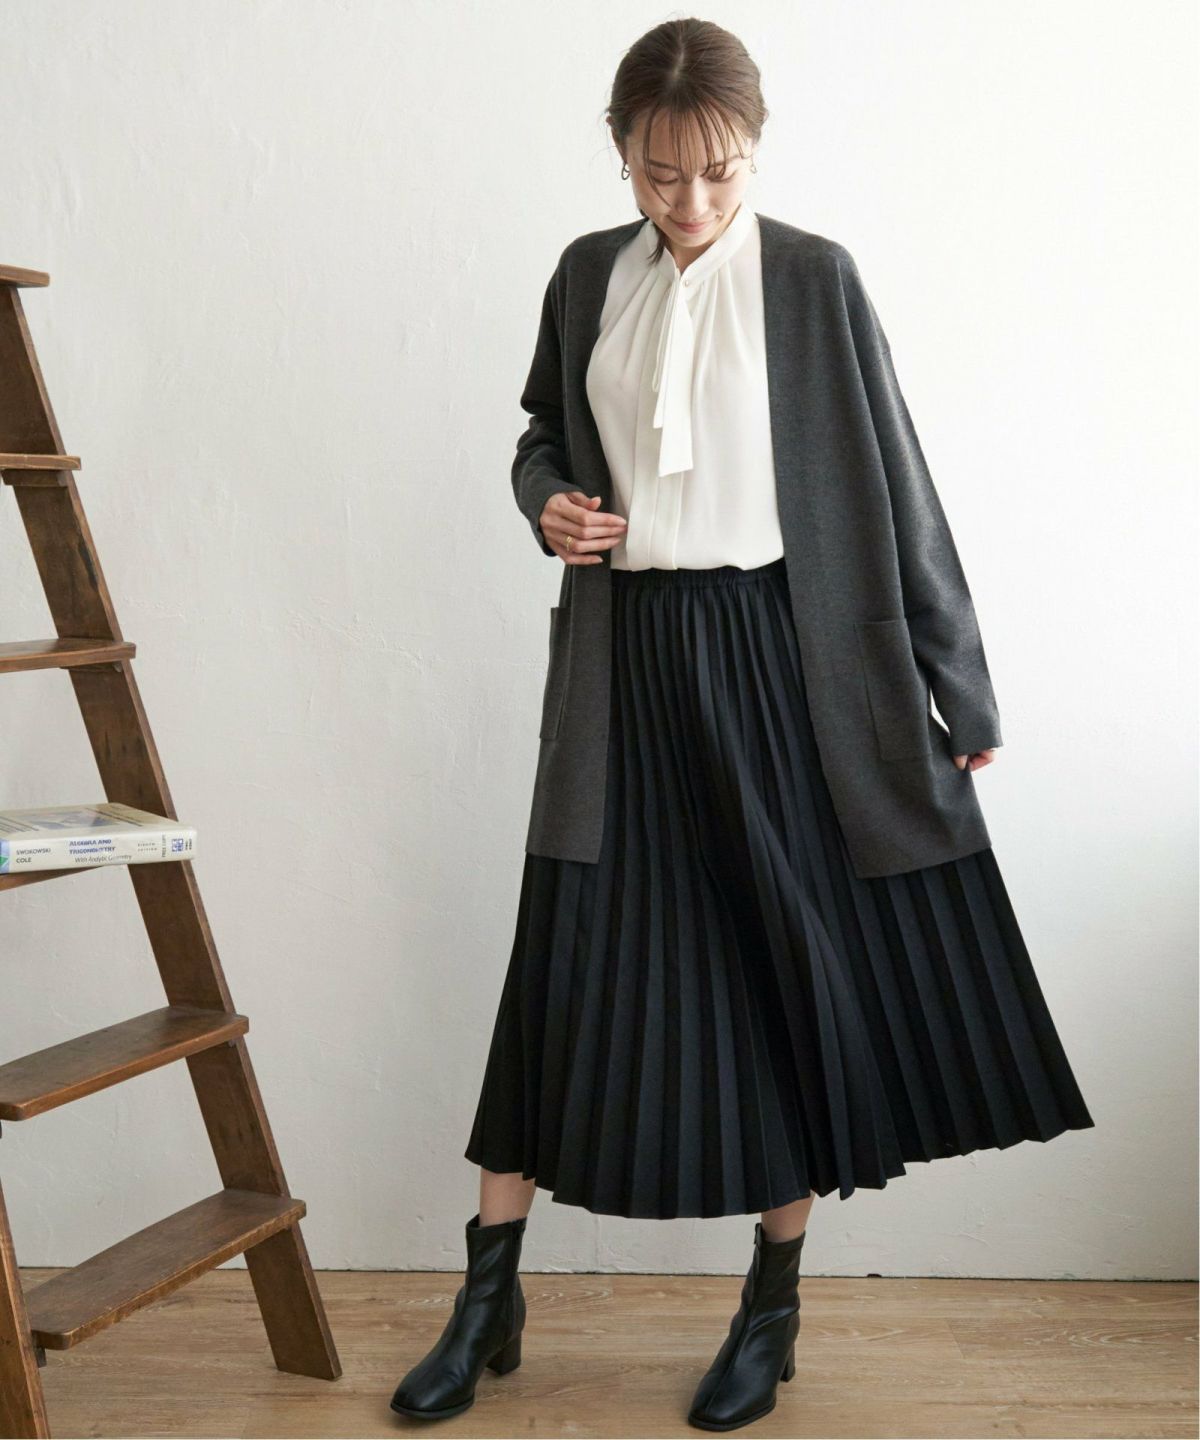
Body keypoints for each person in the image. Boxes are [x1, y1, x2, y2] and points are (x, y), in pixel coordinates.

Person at [391, 17, 1095, 1433]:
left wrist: (960, 686)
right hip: (622, 668)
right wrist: (548, 504)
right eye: (661, 175)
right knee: (561, 964)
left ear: (754, 151)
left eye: (718, 172)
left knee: (779, 969)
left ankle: (770, 1310)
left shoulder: (813, 279)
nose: (692, 201)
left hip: (779, 665)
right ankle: (487, 1296)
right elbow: (540, 435)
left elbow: (897, 482)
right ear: (621, 156)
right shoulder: (588, 275)